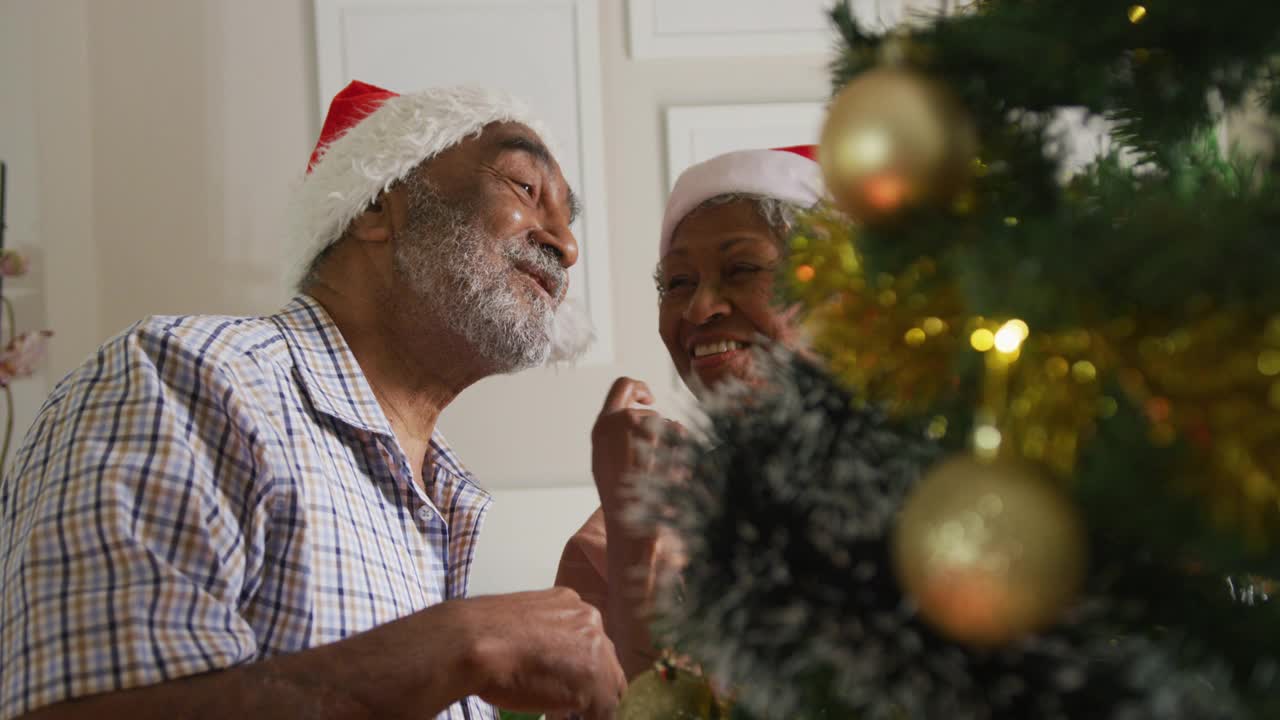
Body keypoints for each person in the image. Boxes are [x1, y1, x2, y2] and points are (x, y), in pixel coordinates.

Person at [0, 80, 625, 720]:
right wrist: (459, 645)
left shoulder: (446, 496)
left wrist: (606, 628)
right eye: (526, 188)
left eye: (569, 220)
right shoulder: (185, 378)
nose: (566, 246)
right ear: (378, 206)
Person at [556, 146, 825, 679]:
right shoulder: (605, 539)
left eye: (742, 269)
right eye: (677, 283)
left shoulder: (934, 479)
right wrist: (638, 529)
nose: (699, 309)